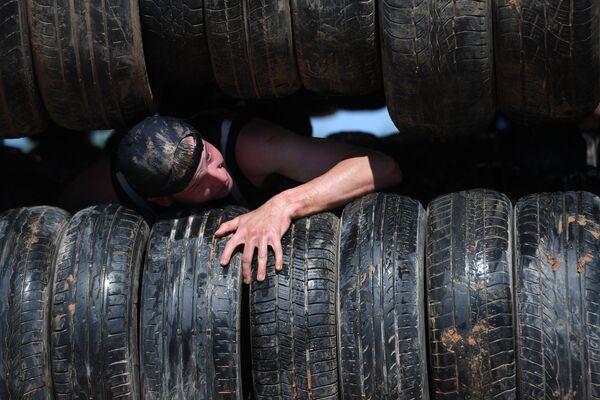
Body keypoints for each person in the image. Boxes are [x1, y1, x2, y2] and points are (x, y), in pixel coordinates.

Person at [113, 114, 403, 284]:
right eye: (200, 183)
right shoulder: (117, 190)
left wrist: (283, 204)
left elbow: (381, 167)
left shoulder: (253, 148)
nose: (220, 177)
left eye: (210, 157)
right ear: (164, 200)